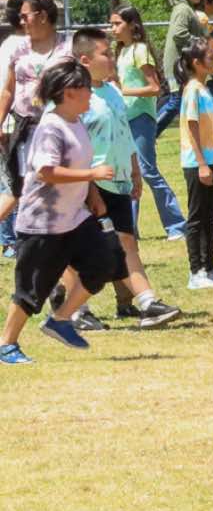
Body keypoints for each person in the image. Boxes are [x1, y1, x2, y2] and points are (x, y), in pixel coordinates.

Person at [0, 61, 126, 363]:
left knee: (104, 263)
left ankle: (61, 320)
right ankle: (6, 344)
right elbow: (46, 172)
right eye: (86, 89)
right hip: (42, 223)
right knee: (32, 290)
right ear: (69, 92)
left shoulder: (76, 122)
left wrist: (93, 194)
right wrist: (92, 176)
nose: (91, 94)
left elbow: (80, 164)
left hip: (74, 219)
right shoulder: (51, 127)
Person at [77, 30, 181, 329]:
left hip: (119, 180)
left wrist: (135, 170)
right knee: (85, 249)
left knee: (126, 243)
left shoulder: (112, 91)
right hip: (92, 183)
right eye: (105, 54)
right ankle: (76, 310)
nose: (112, 58)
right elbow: (74, 146)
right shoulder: (76, 96)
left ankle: (144, 303)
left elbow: (124, 134)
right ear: (85, 60)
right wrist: (88, 187)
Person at [0, 0, 68, 251]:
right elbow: (8, 91)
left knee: (56, 187)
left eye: (25, 16)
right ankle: (32, 242)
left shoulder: (67, 48)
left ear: (42, 16)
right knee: (26, 186)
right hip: (27, 128)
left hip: (60, 129)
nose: (21, 21)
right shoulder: (19, 49)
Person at [111, 7, 185, 241]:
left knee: (147, 171)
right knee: (128, 173)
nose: (113, 29)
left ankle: (177, 226)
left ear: (132, 24)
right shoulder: (121, 51)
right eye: (112, 24)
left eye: (117, 24)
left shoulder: (140, 50)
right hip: (124, 119)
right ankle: (129, 229)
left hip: (141, 118)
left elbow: (154, 88)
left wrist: (124, 90)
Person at [174, 39, 213, 287]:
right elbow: (192, 126)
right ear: (196, 63)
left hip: (210, 160)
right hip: (198, 162)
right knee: (197, 217)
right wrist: (201, 164)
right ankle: (196, 272)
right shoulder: (192, 90)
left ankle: (210, 268)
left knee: (210, 217)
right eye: (210, 56)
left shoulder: (203, 88)